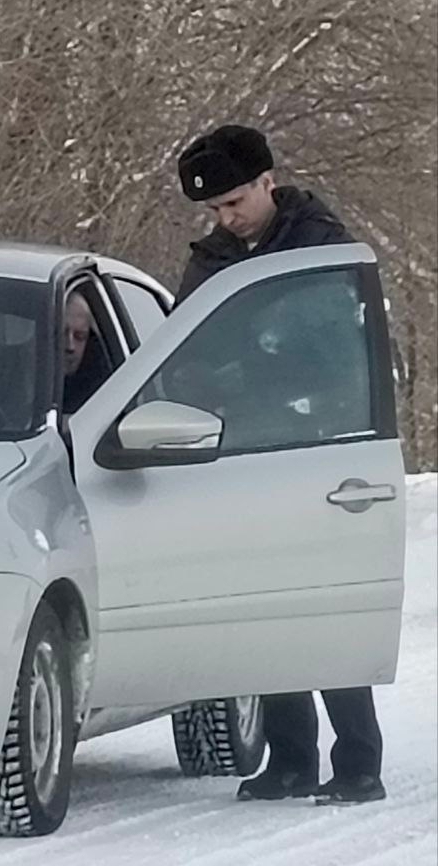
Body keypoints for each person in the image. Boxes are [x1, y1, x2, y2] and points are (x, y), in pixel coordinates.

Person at [174, 123, 387, 805]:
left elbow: (335, 345)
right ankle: (289, 756)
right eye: (214, 209)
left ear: (268, 182)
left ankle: (357, 759)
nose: (225, 217)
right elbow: (189, 349)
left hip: (321, 447)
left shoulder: (321, 247)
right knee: (266, 609)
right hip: (243, 449)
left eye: (234, 201)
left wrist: (262, 357)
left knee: (323, 608)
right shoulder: (211, 259)